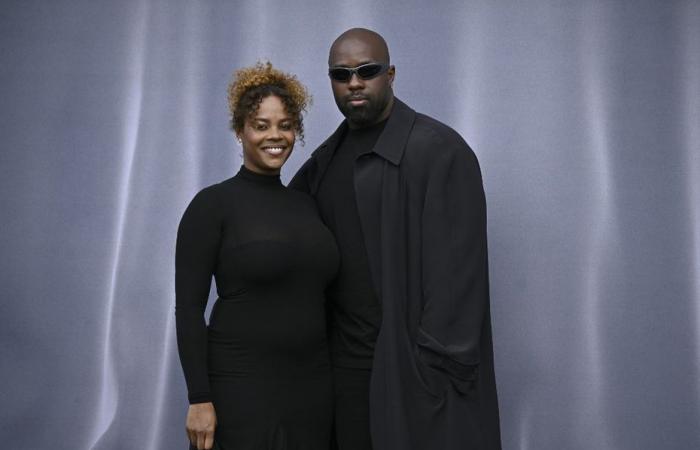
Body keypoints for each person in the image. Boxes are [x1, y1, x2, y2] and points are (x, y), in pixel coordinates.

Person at [290, 28, 502, 450]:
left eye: (367, 71)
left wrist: (433, 372)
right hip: (344, 373)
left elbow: (459, 282)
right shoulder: (323, 163)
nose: (354, 82)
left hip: (411, 375)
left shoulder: (439, 149)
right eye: (341, 73)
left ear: (390, 74)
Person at [175, 62, 339, 450]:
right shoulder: (212, 205)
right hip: (241, 385)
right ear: (240, 131)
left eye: (284, 124)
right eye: (261, 125)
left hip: (312, 387)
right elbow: (188, 310)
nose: (275, 136)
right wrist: (199, 398)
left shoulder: (308, 205)